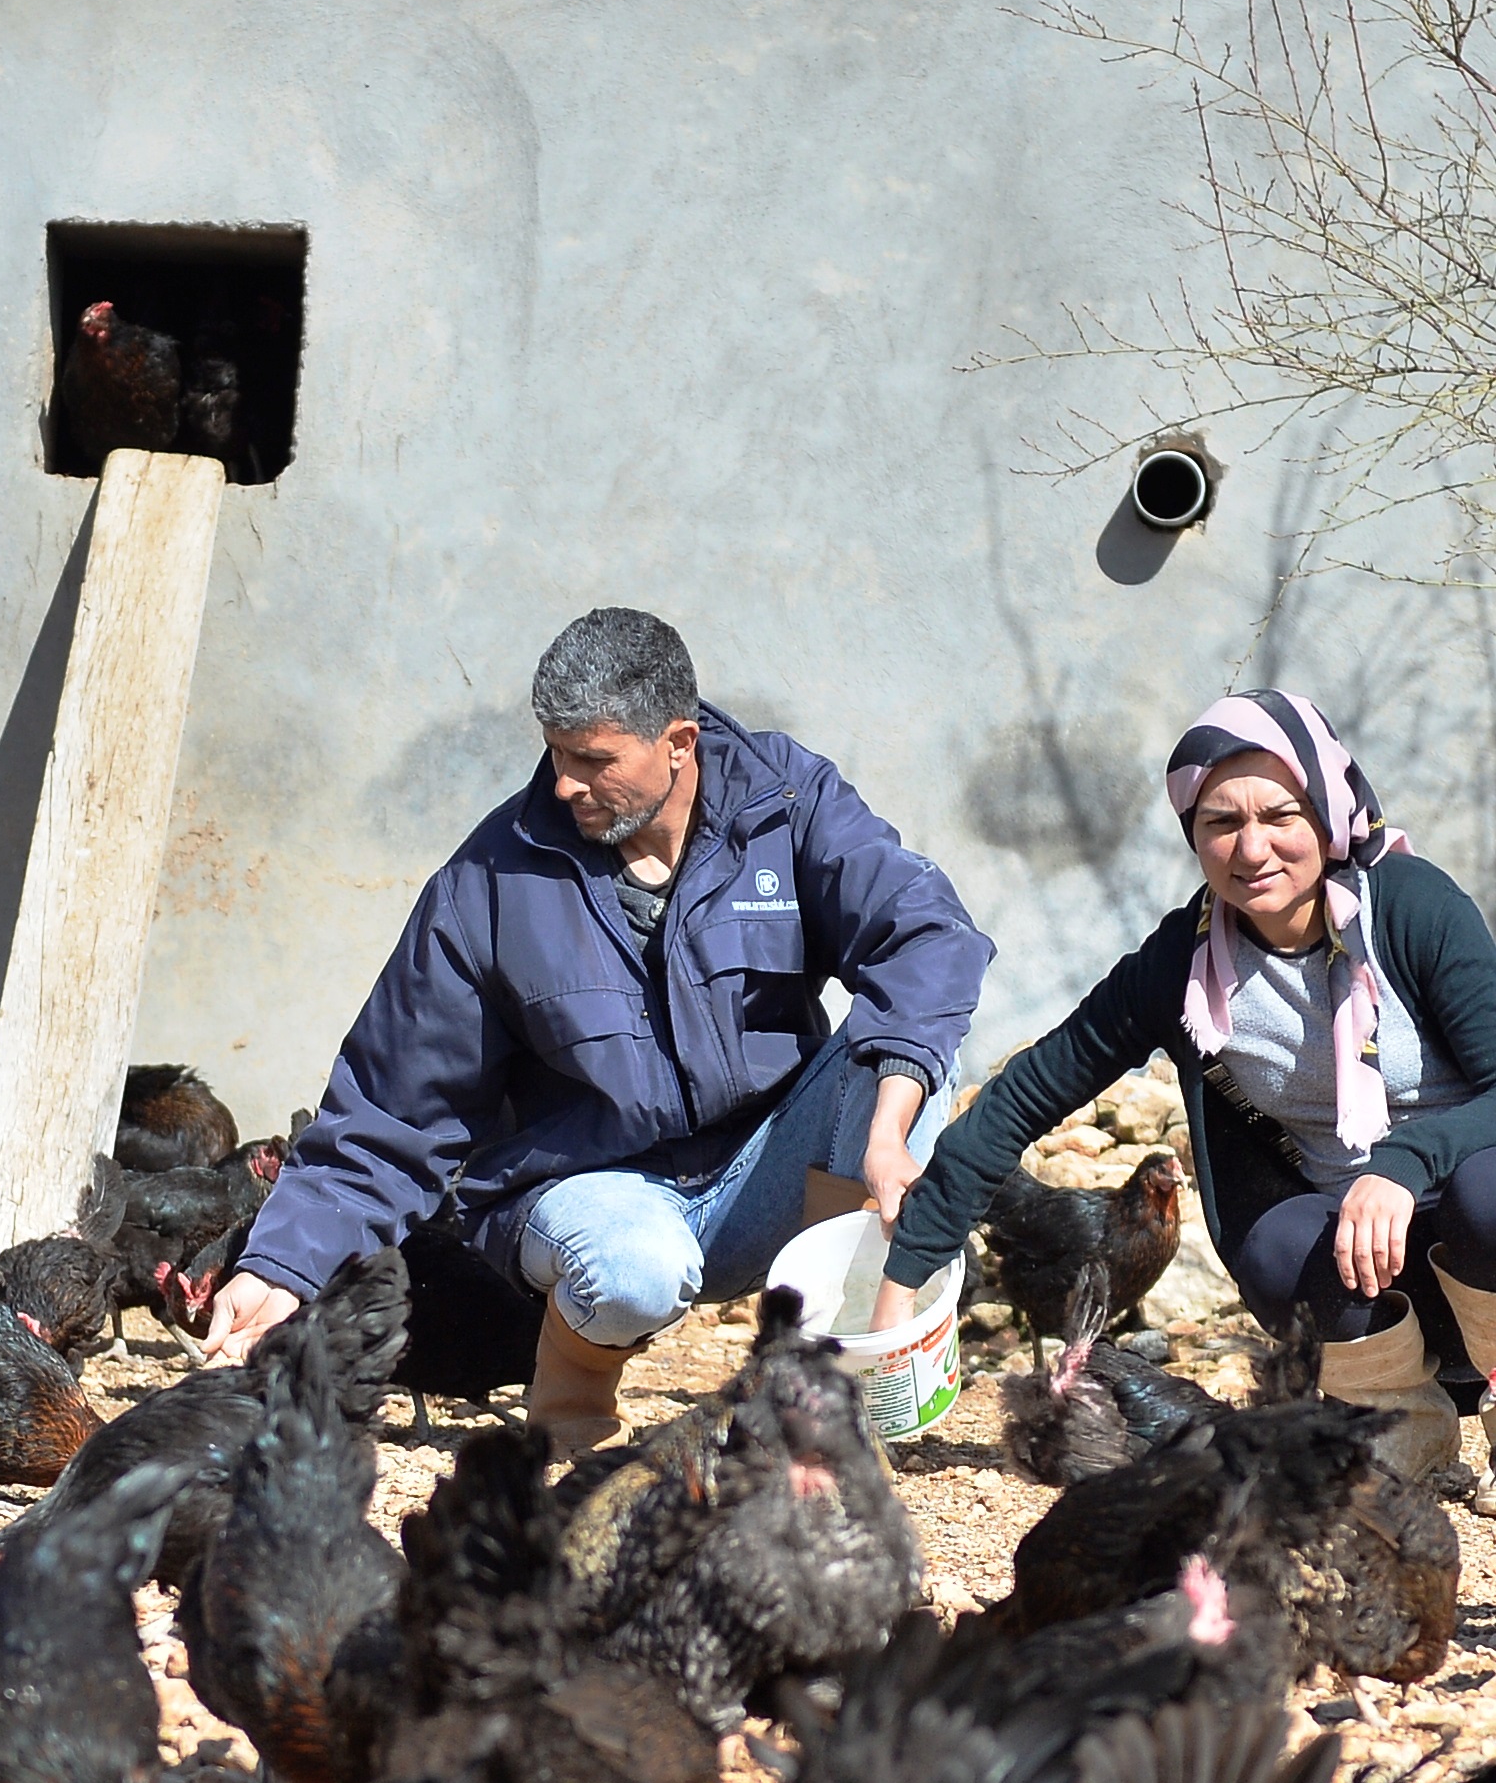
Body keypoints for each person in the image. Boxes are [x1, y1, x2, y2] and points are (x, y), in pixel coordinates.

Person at [202, 608, 990, 1453]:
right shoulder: (491, 882)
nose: (565, 783)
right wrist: (279, 1270)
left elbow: (926, 936)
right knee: (632, 1270)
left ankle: (839, 1385)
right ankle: (569, 1419)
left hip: (764, 1170)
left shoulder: (784, 804)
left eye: (593, 760)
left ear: (678, 742)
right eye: (554, 753)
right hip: (595, 1191)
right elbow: (391, 1112)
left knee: (908, 1047)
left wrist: (884, 1133)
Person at [878, 690, 1496, 1486]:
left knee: (1492, 1190)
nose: (1252, 848)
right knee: (1281, 1243)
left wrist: (1401, 1165)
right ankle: (1404, 1441)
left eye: (1280, 815)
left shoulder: (1414, 909)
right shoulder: (1181, 969)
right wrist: (903, 1280)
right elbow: (1023, 1095)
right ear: (1195, 836)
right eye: (1221, 823)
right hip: (1383, 1269)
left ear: (1326, 816)